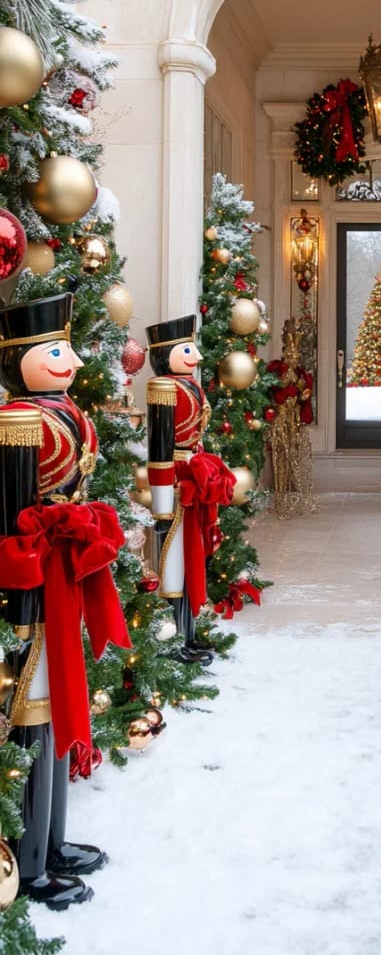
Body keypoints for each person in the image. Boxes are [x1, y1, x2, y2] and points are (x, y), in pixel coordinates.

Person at [0, 292, 130, 909]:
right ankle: (28, 865)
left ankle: (52, 844)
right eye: (55, 350)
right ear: (20, 355)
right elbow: (14, 520)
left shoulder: (63, 412)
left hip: (65, 569)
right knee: (33, 709)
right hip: (34, 587)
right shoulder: (19, 422)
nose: (72, 361)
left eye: (69, 348)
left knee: (53, 705)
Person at [146, 315, 235, 664]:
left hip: (194, 477)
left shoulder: (190, 386)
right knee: (174, 559)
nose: (196, 356)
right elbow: (159, 449)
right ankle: (175, 640)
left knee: (191, 556)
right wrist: (164, 501)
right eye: (187, 349)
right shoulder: (164, 388)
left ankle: (190, 633)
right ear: (166, 353)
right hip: (178, 482)